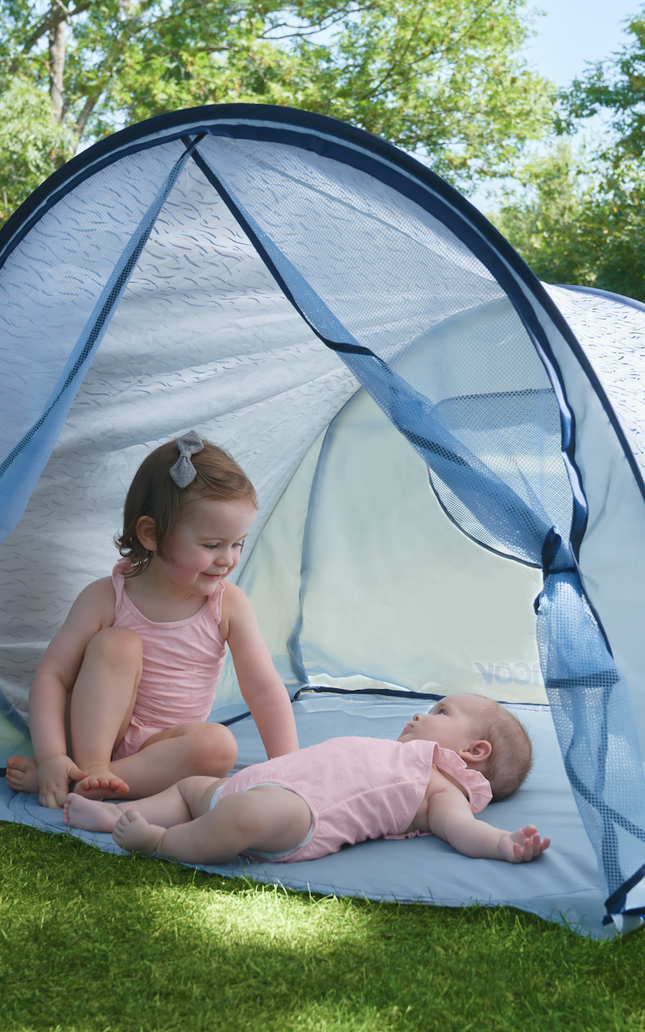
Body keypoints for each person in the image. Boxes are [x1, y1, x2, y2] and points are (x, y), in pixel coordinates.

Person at [6, 432, 298, 808]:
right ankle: (84, 767)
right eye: (212, 545)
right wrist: (51, 755)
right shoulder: (107, 596)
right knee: (118, 642)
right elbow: (52, 677)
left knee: (218, 746)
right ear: (152, 534)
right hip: (96, 735)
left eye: (238, 543)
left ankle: (77, 782)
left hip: (167, 749)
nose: (228, 559)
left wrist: (289, 766)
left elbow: (263, 690)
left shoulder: (229, 605)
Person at [63, 694, 550, 865]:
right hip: (262, 783)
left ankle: (160, 842)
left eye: (441, 710)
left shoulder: (441, 787)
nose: (422, 714)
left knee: (245, 815)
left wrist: (503, 843)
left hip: (299, 816)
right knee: (192, 789)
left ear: (474, 751)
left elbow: (462, 830)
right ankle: (109, 816)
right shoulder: (400, 753)